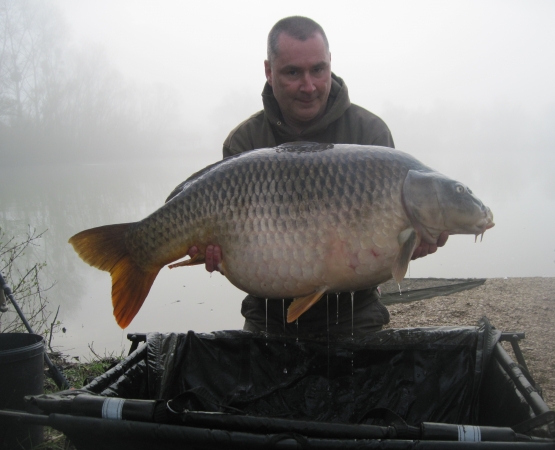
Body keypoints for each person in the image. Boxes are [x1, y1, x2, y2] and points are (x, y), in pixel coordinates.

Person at [188, 16, 448, 336]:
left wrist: (412, 244)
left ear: (330, 64)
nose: (309, 86)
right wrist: (218, 253)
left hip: (355, 309)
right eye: (293, 72)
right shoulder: (244, 143)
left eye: (318, 70)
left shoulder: (370, 135)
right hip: (268, 312)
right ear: (269, 71)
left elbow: (390, 244)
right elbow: (232, 247)